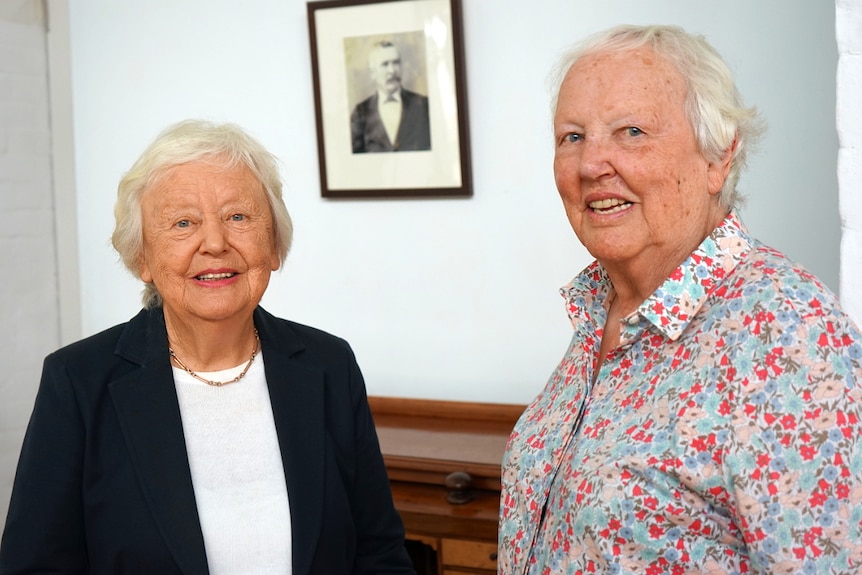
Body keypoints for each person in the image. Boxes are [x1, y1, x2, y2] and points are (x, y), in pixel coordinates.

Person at [498, 24, 862, 574]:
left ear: (718, 157)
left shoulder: (788, 335)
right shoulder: (604, 309)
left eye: (632, 131)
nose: (591, 164)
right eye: (572, 136)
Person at [0, 119, 416, 575]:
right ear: (142, 258)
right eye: (184, 223)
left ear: (274, 245)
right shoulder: (78, 383)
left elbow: (379, 554)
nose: (215, 243)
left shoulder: (330, 364)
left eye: (238, 217)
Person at [350, 40, 431, 153]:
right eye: (385, 64)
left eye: (396, 63)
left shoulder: (424, 105)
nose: (392, 70)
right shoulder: (360, 113)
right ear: (372, 73)